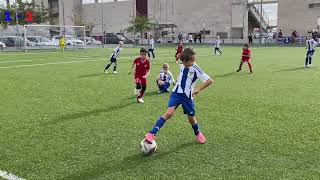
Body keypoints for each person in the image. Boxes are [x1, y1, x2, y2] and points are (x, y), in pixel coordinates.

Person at [144, 47, 214, 144]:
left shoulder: (196, 69)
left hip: (187, 97)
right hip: (176, 93)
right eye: (183, 62)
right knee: (169, 113)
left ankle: (197, 133)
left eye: (186, 62)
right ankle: (151, 133)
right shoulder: (183, 64)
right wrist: (177, 80)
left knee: (191, 119)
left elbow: (210, 80)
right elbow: (181, 74)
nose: (184, 64)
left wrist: (198, 89)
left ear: (192, 60)